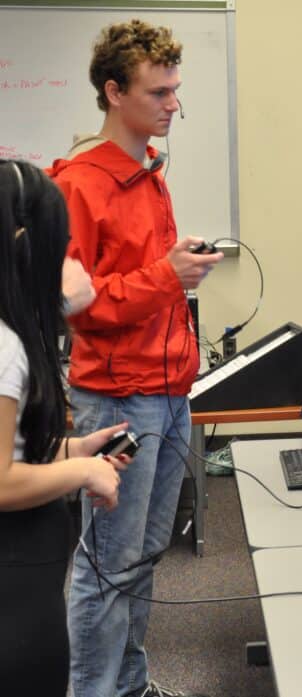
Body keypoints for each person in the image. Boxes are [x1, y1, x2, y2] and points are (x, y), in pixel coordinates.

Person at [48, 19, 223, 697]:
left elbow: (146, 281)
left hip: (168, 394)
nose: (172, 103)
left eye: (176, 89)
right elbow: (79, 305)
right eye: (158, 92)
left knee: (144, 557)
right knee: (106, 565)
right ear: (114, 91)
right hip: (119, 400)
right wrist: (168, 276)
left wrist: (176, 274)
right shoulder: (78, 184)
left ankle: (127, 683)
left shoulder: (150, 171)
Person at [0, 159, 129, 697]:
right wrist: (81, 470)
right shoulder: (6, 349)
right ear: (27, 245)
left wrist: (74, 449)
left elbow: (16, 448)